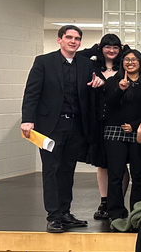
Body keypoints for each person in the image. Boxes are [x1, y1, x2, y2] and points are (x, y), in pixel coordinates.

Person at [21, 25, 105, 233]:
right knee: (51, 170)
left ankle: (65, 213)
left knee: (68, 169)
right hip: (50, 126)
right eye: (69, 37)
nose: (73, 41)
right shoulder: (43, 62)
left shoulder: (86, 64)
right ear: (60, 40)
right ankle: (53, 216)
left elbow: (98, 82)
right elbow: (32, 92)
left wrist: (99, 81)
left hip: (75, 125)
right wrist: (27, 119)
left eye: (77, 38)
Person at [103, 50, 141, 221]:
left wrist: (135, 125)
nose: (130, 62)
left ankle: (137, 211)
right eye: (126, 60)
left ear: (140, 62)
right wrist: (121, 90)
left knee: (138, 175)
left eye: (134, 60)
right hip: (114, 132)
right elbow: (110, 105)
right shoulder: (113, 81)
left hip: (138, 132)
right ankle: (115, 212)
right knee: (115, 175)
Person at [84, 33, 126, 221]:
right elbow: (78, 56)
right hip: (99, 120)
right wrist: (95, 47)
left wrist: (128, 50)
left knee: (120, 164)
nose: (111, 51)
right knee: (102, 163)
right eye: (107, 47)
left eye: (115, 47)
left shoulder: (124, 68)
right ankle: (104, 200)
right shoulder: (92, 66)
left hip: (120, 120)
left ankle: (117, 201)